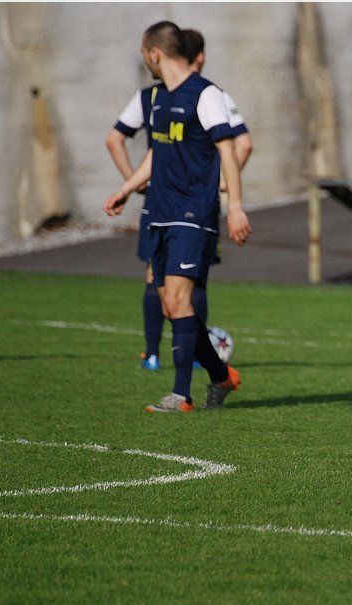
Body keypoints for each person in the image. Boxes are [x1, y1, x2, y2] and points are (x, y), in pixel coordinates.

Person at [104, 21, 251, 413]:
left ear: (155, 53)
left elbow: (228, 150)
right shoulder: (159, 98)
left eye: (144, 54)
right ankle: (221, 377)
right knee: (171, 306)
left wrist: (235, 206)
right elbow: (158, 152)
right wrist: (126, 188)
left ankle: (181, 396)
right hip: (160, 213)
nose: (145, 61)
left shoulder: (206, 94)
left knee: (180, 301)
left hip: (192, 213)